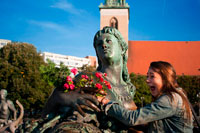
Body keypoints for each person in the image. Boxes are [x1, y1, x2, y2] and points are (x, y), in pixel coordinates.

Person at [39, 26, 137, 132]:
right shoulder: (87, 78)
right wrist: (61, 96)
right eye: (99, 44)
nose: (104, 45)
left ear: (122, 49)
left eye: (109, 41)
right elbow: (46, 114)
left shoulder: (130, 89)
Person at [99, 61, 193, 132]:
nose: (147, 80)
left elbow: (132, 118)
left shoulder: (170, 99)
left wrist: (109, 105)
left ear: (165, 79)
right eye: (147, 76)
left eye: (152, 76)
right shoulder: (175, 96)